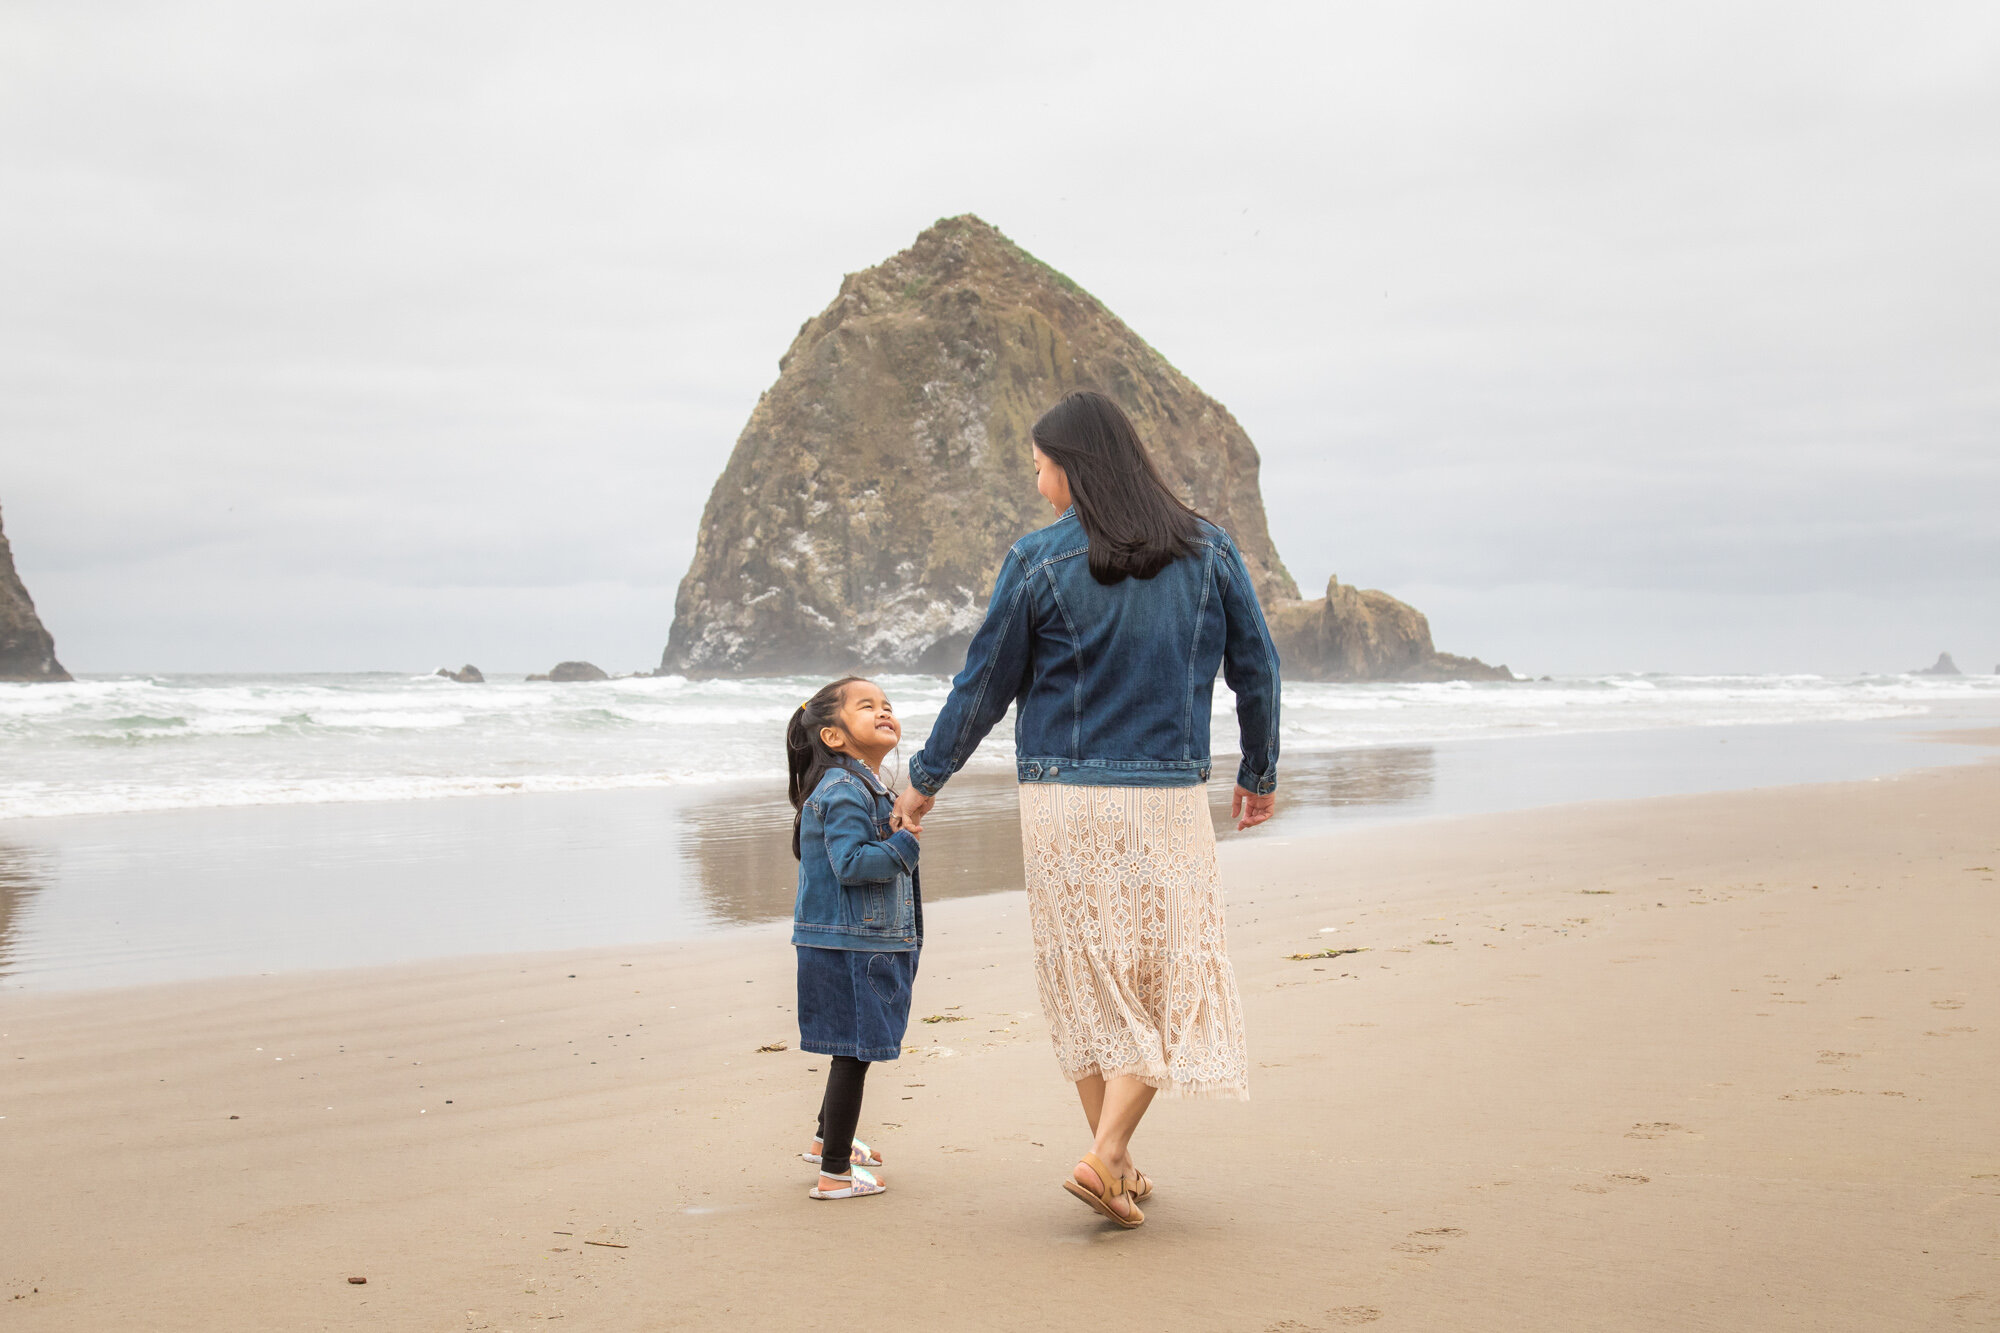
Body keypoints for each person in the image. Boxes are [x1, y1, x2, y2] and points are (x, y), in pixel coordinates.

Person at [895, 389, 1280, 1229]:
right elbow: (1258, 667)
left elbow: (983, 686)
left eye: (1040, 466)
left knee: (1088, 979)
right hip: (1166, 800)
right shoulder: (1208, 549)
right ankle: (1110, 1155)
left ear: (1073, 465)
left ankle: (1112, 1157)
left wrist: (924, 780)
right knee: (1171, 972)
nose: (1037, 482)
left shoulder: (1038, 560)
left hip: (1062, 802)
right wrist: (1258, 769)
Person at [787, 676, 923, 1200]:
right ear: (834, 737)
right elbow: (850, 864)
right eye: (866, 706)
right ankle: (836, 1175)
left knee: (851, 1047)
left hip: (843, 939)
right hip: (852, 945)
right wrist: (905, 845)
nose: (884, 711)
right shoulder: (844, 790)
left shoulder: (862, 786)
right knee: (854, 1053)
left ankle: (828, 1142)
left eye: (887, 705)